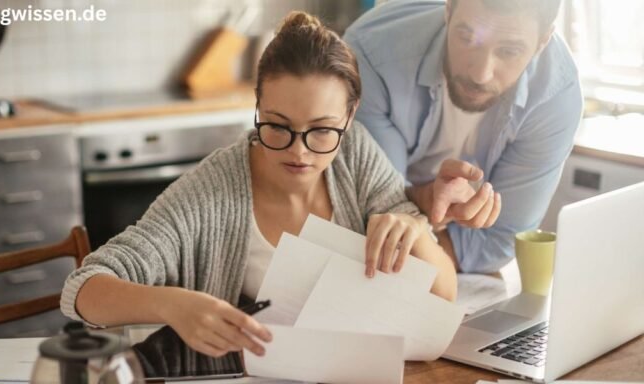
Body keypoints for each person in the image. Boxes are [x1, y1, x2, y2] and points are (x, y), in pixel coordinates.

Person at [61, 11, 457, 359]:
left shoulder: (355, 155)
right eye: (278, 125)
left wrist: (416, 228)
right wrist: (171, 305)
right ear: (257, 105)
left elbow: (443, 295)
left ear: (350, 116)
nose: (299, 153)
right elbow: (81, 290)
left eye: (320, 130)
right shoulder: (211, 193)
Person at [344, 0, 583, 273]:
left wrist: (415, 230)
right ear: (447, 11)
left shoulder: (555, 96)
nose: (481, 74)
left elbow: (502, 242)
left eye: (509, 51)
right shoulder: (371, 55)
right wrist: (423, 207)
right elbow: (371, 218)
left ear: (542, 42)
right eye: (467, 38)